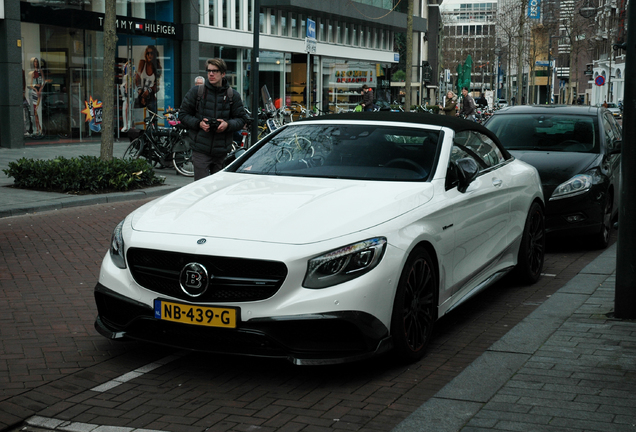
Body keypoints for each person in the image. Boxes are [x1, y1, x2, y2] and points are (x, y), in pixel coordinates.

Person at [179, 58, 247, 180]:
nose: (211, 74)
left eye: (215, 71)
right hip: (200, 149)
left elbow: (241, 119)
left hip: (222, 152)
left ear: (223, 74)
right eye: (209, 71)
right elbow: (183, 115)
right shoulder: (197, 92)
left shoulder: (232, 95)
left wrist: (227, 124)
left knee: (217, 190)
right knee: (201, 187)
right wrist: (199, 124)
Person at [134, 45, 162, 113]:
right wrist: (140, 89)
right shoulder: (143, 63)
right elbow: (137, 77)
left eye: (151, 53)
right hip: (141, 95)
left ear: (154, 55)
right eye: (148, 53)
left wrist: (149, 90)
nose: (149, 55)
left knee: (152, 117)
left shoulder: (157, 67)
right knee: (139, 117)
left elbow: (157, 85)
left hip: (151, 96)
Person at [28, 57, 44, 135]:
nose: (36, 63)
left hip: (39, 92)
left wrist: (40, 89)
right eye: (34, 62)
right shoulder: (31, 73)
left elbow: (43, 81)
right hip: (34, 92)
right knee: (34, 110)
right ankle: (37, 129)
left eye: (37, 62)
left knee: (36, 109)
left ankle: (38, 128)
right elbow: (29, 84)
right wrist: (35, 88)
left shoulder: (40, 71)